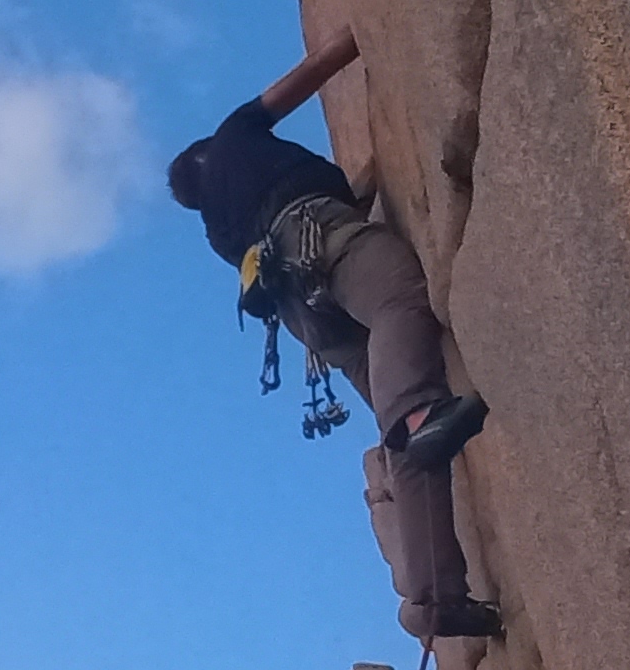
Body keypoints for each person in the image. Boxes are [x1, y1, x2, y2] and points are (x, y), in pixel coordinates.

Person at [168, 93, 500, 640]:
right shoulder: (234, 134)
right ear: (208, 151)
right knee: (399, 306)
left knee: (404, 439)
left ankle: (435, 598)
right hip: (321, 241)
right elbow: (310, 74)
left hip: (304, 315)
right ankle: (419, 414)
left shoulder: (218, 231)